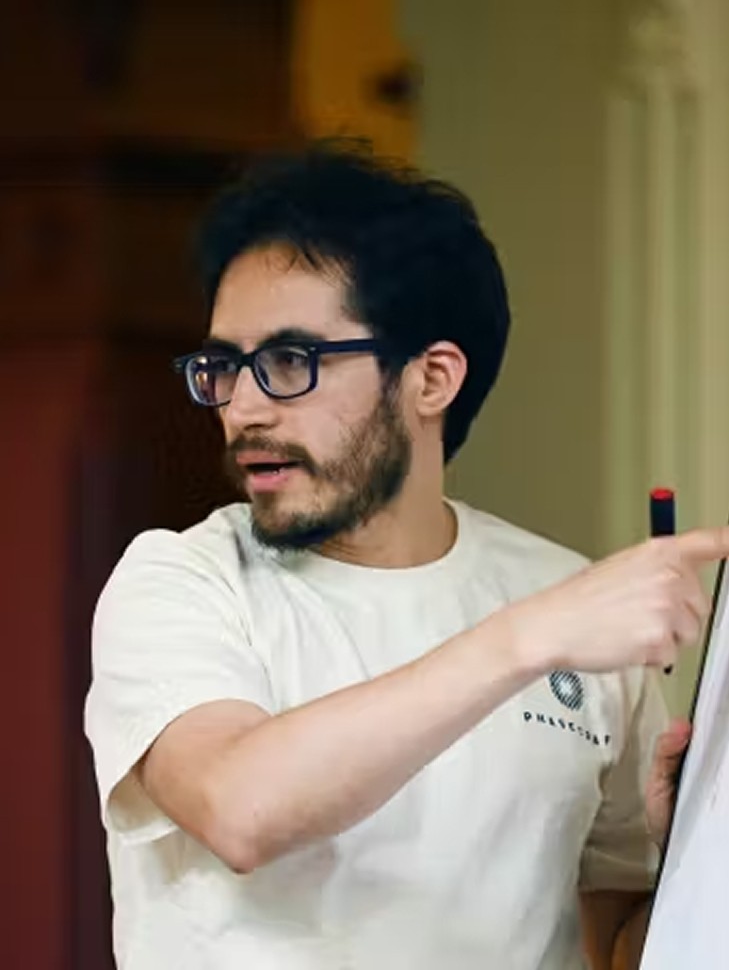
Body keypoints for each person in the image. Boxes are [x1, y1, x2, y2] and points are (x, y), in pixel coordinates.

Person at [85, 141, 728, 970]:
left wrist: (698, 859)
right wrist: (528, 638)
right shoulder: (180, 580)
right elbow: (240, 808)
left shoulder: (565, 605)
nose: (241, 406)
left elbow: (609, 945)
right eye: (222, 366)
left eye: (288, 361)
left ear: (430, 380)